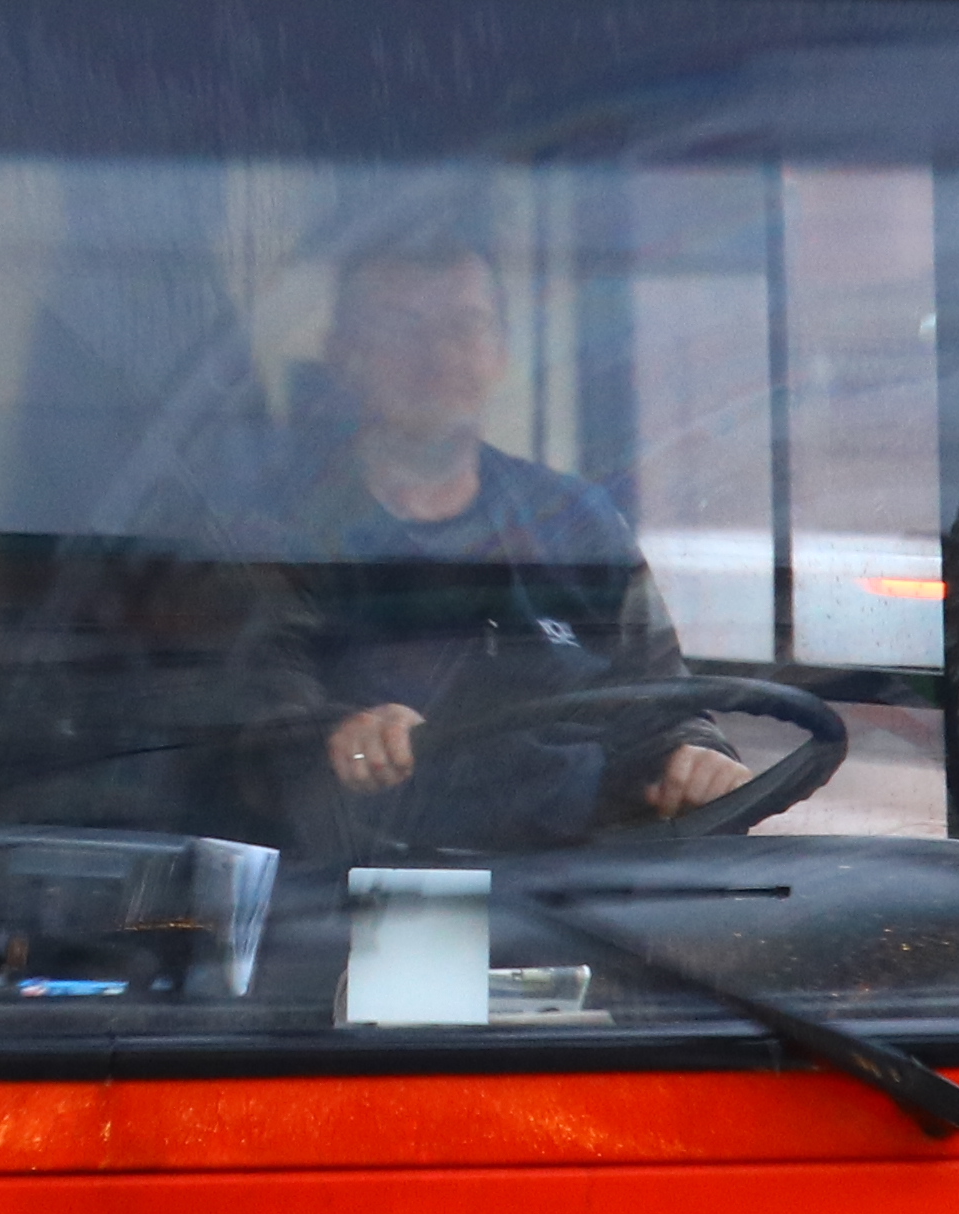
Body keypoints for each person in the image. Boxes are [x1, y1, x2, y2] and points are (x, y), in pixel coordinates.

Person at [228, 236, 747, 843]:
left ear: (500, 353)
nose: (438, 356)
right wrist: (339, 736)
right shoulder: (277, 536)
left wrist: (699, 757)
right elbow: (258, 732)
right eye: (401, 328)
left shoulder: (575, 522)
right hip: (368, 876)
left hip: (585, 877)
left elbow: (666, 704)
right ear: (343, 354)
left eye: (465, 327)